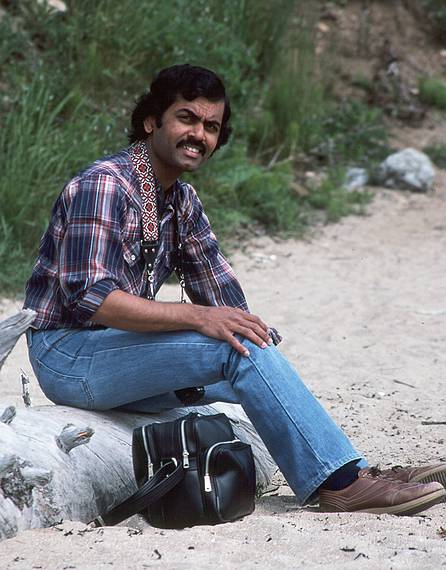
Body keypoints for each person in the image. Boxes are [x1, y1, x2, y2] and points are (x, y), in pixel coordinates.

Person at [24, 64, 446, 516]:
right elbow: (94, 300)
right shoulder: (106, 184)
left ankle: (356, 472)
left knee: (244, 359)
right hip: (68, 355)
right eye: (187, 118)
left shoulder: (180, 202)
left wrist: (253, 334)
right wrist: (208, 323)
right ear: (152, 121)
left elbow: (225, 300)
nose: (199, 135)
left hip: (114, 355)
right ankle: (341, 486)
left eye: (211, 126)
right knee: (237, 349)